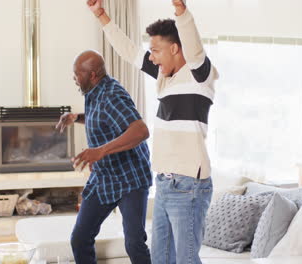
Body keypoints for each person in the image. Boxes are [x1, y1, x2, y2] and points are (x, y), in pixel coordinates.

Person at [86, 0, 219, 263]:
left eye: (156, 50)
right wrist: (101, 16)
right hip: (165, 183)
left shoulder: (199, 76)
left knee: (186, 259)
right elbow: (129, 51)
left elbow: (194, 47)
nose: (152, 56)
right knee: (160, 258)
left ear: (175, 48)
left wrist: (181, 11)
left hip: (189, 185)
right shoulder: (163, 77)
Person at [56, 50, 152, 264]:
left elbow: (141, 131)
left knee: (134, 243)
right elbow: (102, 117)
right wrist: (76, 117)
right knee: (80, 238)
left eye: (77, 73)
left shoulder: (112, 96)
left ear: (92, 74)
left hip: (130, 179)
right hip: (105, 177)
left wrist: (99, 151)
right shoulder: (94, 90)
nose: (74, 77)